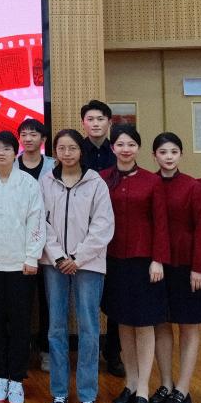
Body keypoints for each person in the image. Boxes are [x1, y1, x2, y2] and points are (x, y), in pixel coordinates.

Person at [39, 129, 114, 403]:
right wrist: (59, 256)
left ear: (81, 151)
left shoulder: (96, 183)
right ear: (55, 152)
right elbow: (40, 222)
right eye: (62, 148)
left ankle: (87, 395)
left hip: (89, 264)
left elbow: (103, 225)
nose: (67, 153)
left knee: (89, 328)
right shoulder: (46, 181)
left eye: (72, 148)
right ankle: (59, 391)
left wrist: (78, 257)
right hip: (54, 264)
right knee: (56, 328)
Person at [0, 131, 45, 403]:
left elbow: (36, 221)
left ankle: (17, 379)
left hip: (20, 265)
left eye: (6, 148)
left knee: (19, 323)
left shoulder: (28, 183)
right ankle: (0, 376)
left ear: (16, 152)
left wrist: (32, 256)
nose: (1, 153)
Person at [101, 124, 169, 403]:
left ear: (138, 148)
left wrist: (158, 259)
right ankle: (129, 382)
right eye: (120, 144)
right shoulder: (103, 178)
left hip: (145, 263)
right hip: (113, 260)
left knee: (143, 324)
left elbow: (161, 223)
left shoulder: (152, 181)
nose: (125, 149)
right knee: (123, 324)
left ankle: (143, 388)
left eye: (131, 144)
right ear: (112, 148)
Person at [149, 132, 201, 403]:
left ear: (181, 155)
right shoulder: (150, 183)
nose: (169, 157)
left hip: (187, 267)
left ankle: (183, 389)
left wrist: (199, 267)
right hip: (157, 265)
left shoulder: (193, 187)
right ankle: (166, 383)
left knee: (188, 326)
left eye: (174, 151)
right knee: (160, 324)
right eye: (163, 152)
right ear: (154, 156)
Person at [80, 99, 124, 378]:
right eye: (90, 119)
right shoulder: (75, 150)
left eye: (100, 119)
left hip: (114, 236)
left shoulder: (118, 151)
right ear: (83, 123)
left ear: (109, 122)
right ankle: (88, 353)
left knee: (116, 298)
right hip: (80, 236)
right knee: (86, 302)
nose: (95, 124)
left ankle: (114, 352)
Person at [17, 118, 55, 373]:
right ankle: (19, 351)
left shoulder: (54, 165)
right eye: (24, 134)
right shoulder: (11, 163)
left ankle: (46, 350)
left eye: (33, 134)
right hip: (18, 243)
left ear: (43, 139)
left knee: (48, 300)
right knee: (21, 300)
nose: (28, 138)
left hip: (49, 242)